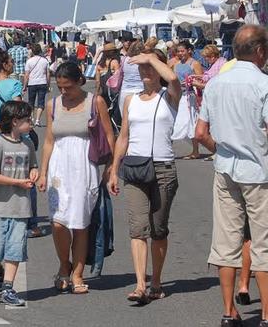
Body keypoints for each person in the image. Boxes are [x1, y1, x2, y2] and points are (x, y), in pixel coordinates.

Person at [194, 25, 268, 327]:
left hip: (225, 168)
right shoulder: (263, 84)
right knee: (263, 243)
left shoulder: (215, 85)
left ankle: (228, 312)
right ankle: (265, 314)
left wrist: (220, 149)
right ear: (260, 51)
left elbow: (200, 133)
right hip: (259, 171)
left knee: (226, 243)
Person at [108, 49, 181, 304]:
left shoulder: (169, 96)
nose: (146, 73)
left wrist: (151, 58)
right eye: (142, 68)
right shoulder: (131, 100)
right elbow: (123, 136)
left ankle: (157, 281)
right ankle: (140, 284)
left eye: (150, 68)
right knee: (138, 229)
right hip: (136, 167)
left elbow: (173, 79)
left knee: (158, 230)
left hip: (162, 168)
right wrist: (114, 169)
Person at [37, 62, 115, 295]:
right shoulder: (52, 105)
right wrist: (43, 171)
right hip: (58, 168)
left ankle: (78, 272)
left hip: (84, 167)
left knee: (80, 223)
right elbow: (49, 140)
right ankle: (64, 263)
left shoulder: (95, 102)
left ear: (79, 81)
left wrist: (111, 168)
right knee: (58, 222)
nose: (63, 92)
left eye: (67, 87)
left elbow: (110, 136)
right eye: (59, 87)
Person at [0, 100, 39, 307]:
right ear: (15, 122)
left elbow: (33, 166)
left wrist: (34, 172)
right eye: (27, 120)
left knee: (15, 248)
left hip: (21, 207)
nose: (31, 123)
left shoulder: (28, 144)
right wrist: (16, 181)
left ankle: (7, 288)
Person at [172, 40, 204, 160]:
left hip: (190, 95)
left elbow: (201, 79)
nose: (180, 53)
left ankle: (196, 150)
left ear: (188, 51)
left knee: (191, 123)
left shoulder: (194, 63)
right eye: (178, 51)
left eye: (182, 51)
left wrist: (191, 81)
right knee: (176, 122)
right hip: (178, 95)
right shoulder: (176, 64)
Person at [23, 43, 50, 127]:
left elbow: (26, 75)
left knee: (31, 102)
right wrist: (48, 84)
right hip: (42, 82)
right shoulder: (45, 61)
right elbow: (48, 74)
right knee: (41, 102)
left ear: (32, 51)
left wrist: (24, 86)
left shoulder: (29, 61)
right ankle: (38, 120)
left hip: (32, 83)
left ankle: (31, 118)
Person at [95, 42, 122, 128]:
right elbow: (117, 77)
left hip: (103, 91)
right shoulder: (114, 62)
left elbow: (97, 81)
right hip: (112, 92)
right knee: (113, 112)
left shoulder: (100, 64)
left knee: (104, 111)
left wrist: (97, 92)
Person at [118, 40, 146, 116]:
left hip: (125, 91)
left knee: (125, 119)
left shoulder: (124, 59)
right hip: (140, 90)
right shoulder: (144, 60)